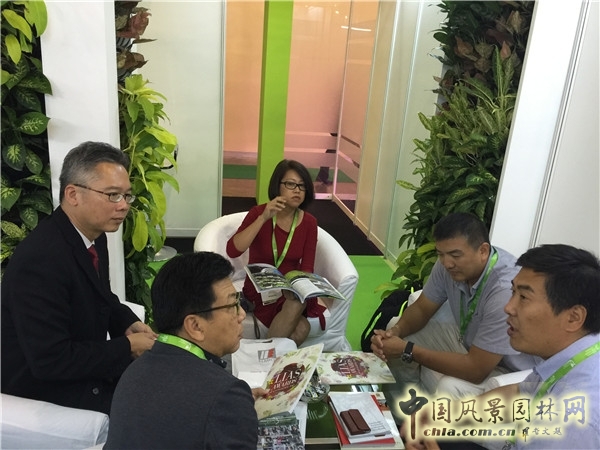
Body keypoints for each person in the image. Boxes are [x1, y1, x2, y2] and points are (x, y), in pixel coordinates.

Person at [1, 141, 156, 414]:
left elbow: (101, 295)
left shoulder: (93, 235)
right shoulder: (41, 259)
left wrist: (127, 322)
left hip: (80, 366)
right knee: (152, 409)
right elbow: (50, 361)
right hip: (41, 389)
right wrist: (126, 348)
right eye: (112, 195)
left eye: (126, 196)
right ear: (73, 194)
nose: (123, 206)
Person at [403, 244, 600, 450]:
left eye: (523, 297)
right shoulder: (576, 356)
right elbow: (521, 393)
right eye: (513, 292)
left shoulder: (574, 422)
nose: (508, 307)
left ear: (573, 317)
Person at [104, 251, 261, 449]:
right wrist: (234, 404)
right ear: (195, 326)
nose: (241, 314)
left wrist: (235, 402)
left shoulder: (133, 372)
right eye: (232, 305)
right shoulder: (225, 396)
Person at [372, 213, 535, 398]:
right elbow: (422, 308)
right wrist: (395, 332)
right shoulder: (447, 265)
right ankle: (401, 409)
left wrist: (407, 349)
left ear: (483, 251)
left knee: (449, 385)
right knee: (395, 328)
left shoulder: (504, 291)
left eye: (455, 255)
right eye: (440, 254)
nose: (447, 263)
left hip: (510, 368)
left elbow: (476, 370)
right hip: (473, 344)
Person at [226, 159, 323, 346]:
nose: (297, 190)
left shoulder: (309, 222)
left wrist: (299, 287)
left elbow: (307, 267)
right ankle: (268, 357)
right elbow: (233, 250)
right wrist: (263, 218)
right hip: (261, 288)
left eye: (302, 186)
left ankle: (264, 357)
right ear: (277, 186)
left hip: (289, 289)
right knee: (302, 328)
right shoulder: (259, 212)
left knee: (300, 317)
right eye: (290, 184)